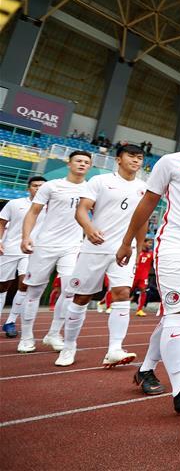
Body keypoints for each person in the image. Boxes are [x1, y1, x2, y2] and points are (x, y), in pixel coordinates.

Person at [115, 114, 180, 411]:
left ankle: (146, 368)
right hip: (175, 244)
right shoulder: (172, 162)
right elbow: (147, 203)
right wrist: (127, 242)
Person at [54, 144, 148, 368]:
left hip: (124, 250)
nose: (136, 161)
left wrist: (139, 246)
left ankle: (115, 348)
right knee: (81, 298)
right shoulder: (100, 181)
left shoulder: (145, 188)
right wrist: (88, 229)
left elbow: (143, 221)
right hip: (95, 246)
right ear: (118, 159)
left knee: (123, 293)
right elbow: (82, 209)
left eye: (140, 158)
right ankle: (68, 347)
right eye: (131, 156)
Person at [17, 151, 92, 354]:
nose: (82, 164)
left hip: (73, 246)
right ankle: (26, 337)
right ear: (69, 163)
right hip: (45, 244)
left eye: (86, 162)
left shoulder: (91, 188)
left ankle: (53, 333)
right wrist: (26, 237)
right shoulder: (52, 185)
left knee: (69, 291)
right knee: (33, 292)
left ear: (90, 166)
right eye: (78, 161)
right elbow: (33, 212)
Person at [0, 175, 46, 338]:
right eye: (35, 186)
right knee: (2, 286)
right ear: (29, 188)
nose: (38, 188)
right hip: (10, 249)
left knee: (24, 284)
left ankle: (10, 321)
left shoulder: (51, 208)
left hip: (33, 252)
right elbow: (1, 223)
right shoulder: (15, 203)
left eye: (42, 186)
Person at [133, 238, 154, 317]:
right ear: (144, 243)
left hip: (144, 276)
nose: (150, 245)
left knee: (143, 291)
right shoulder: (137, 252)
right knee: (127, 291)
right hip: (134, 275)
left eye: (151, 243)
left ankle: (139, 310)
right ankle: (116, 306)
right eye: (149, 243)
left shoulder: (151, 254)